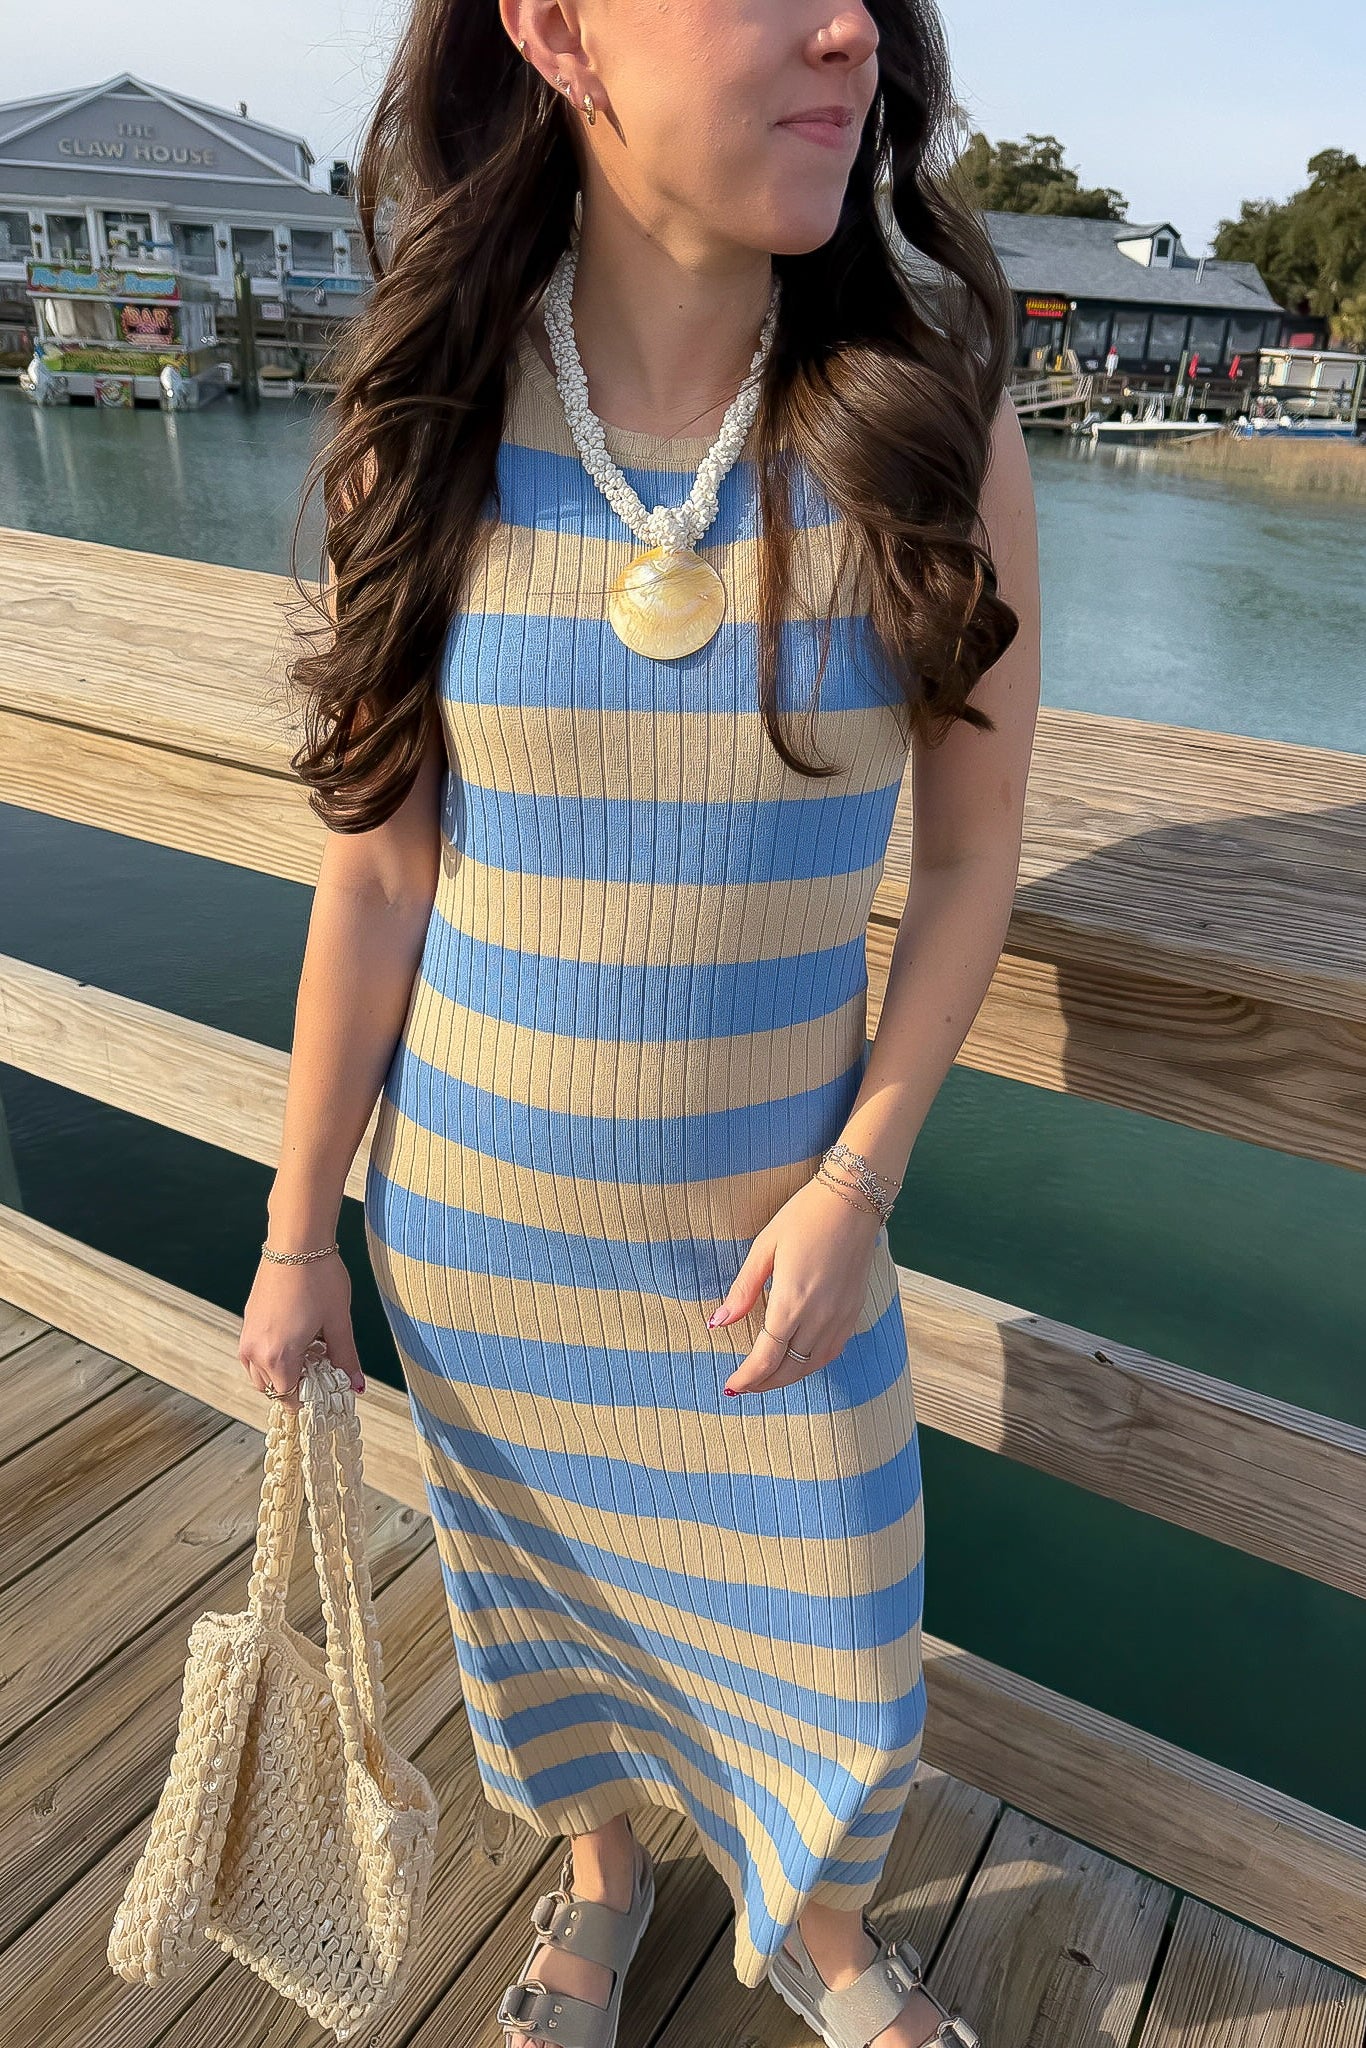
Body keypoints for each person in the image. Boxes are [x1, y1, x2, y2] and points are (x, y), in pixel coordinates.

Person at [239, 2, 1040, 2044]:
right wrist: (295, 1227)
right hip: (481, 1242)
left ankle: (826, 1926)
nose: (848, 22)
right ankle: (593, 1883)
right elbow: (377, 871)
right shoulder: (423, 410)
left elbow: (961, 871)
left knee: (840, 1634)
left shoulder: (922, 424)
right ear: (558, 28)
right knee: (545, 1620)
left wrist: (857, 1182)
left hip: (777, 1246)